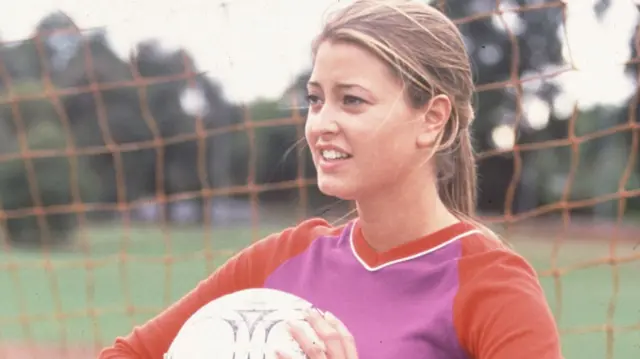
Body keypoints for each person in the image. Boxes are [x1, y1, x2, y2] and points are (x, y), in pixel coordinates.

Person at [99, 0, 563, 358]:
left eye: (353, 100)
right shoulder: (280, 263)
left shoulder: (492, 286)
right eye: (316, 99)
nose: (320, 124)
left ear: (432, 119)